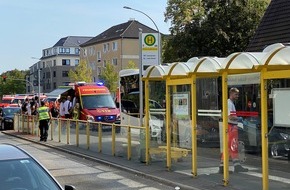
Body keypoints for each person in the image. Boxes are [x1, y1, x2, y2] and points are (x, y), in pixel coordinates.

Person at [219, 87, 248, 174]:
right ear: (231, 94)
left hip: (231, 126)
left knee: (230, 147)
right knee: (231, 146)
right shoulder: (229, 103)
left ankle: (226, 166)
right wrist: (239, 118)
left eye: (238, 94)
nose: (237, 96)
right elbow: (230, 116)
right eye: (236, 94)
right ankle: (232, 166)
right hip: (231, 126)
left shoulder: (230, 103)